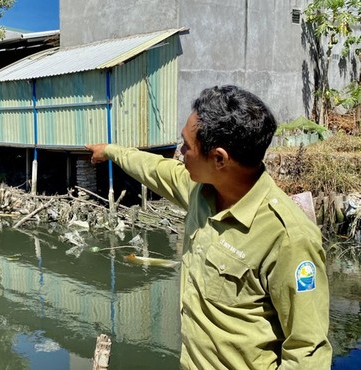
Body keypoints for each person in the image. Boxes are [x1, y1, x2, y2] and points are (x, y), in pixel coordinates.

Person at [86, 85, 331, 369]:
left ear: (219, 159)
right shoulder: (199, 190)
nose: (179, 153)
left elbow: (308, 351)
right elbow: (152, 168)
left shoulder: (288, 237)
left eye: (186, 147)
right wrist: (110, 151)